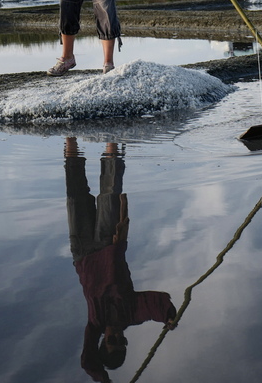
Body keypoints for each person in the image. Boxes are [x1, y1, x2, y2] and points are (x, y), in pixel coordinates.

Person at [64, 138, 177, 382]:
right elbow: (154, 306)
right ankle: (111, 134)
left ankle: (70, 134)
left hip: (82, 252)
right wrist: (169, 316)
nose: (116, 336)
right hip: (108, 245)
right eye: (121, 341)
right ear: (125, 340)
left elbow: (88, 362)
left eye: (111, 341)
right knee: (110, 192)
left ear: (103, 341)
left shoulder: (94, 325)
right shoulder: (131, 314)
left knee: (75, 192)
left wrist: (104, 381)